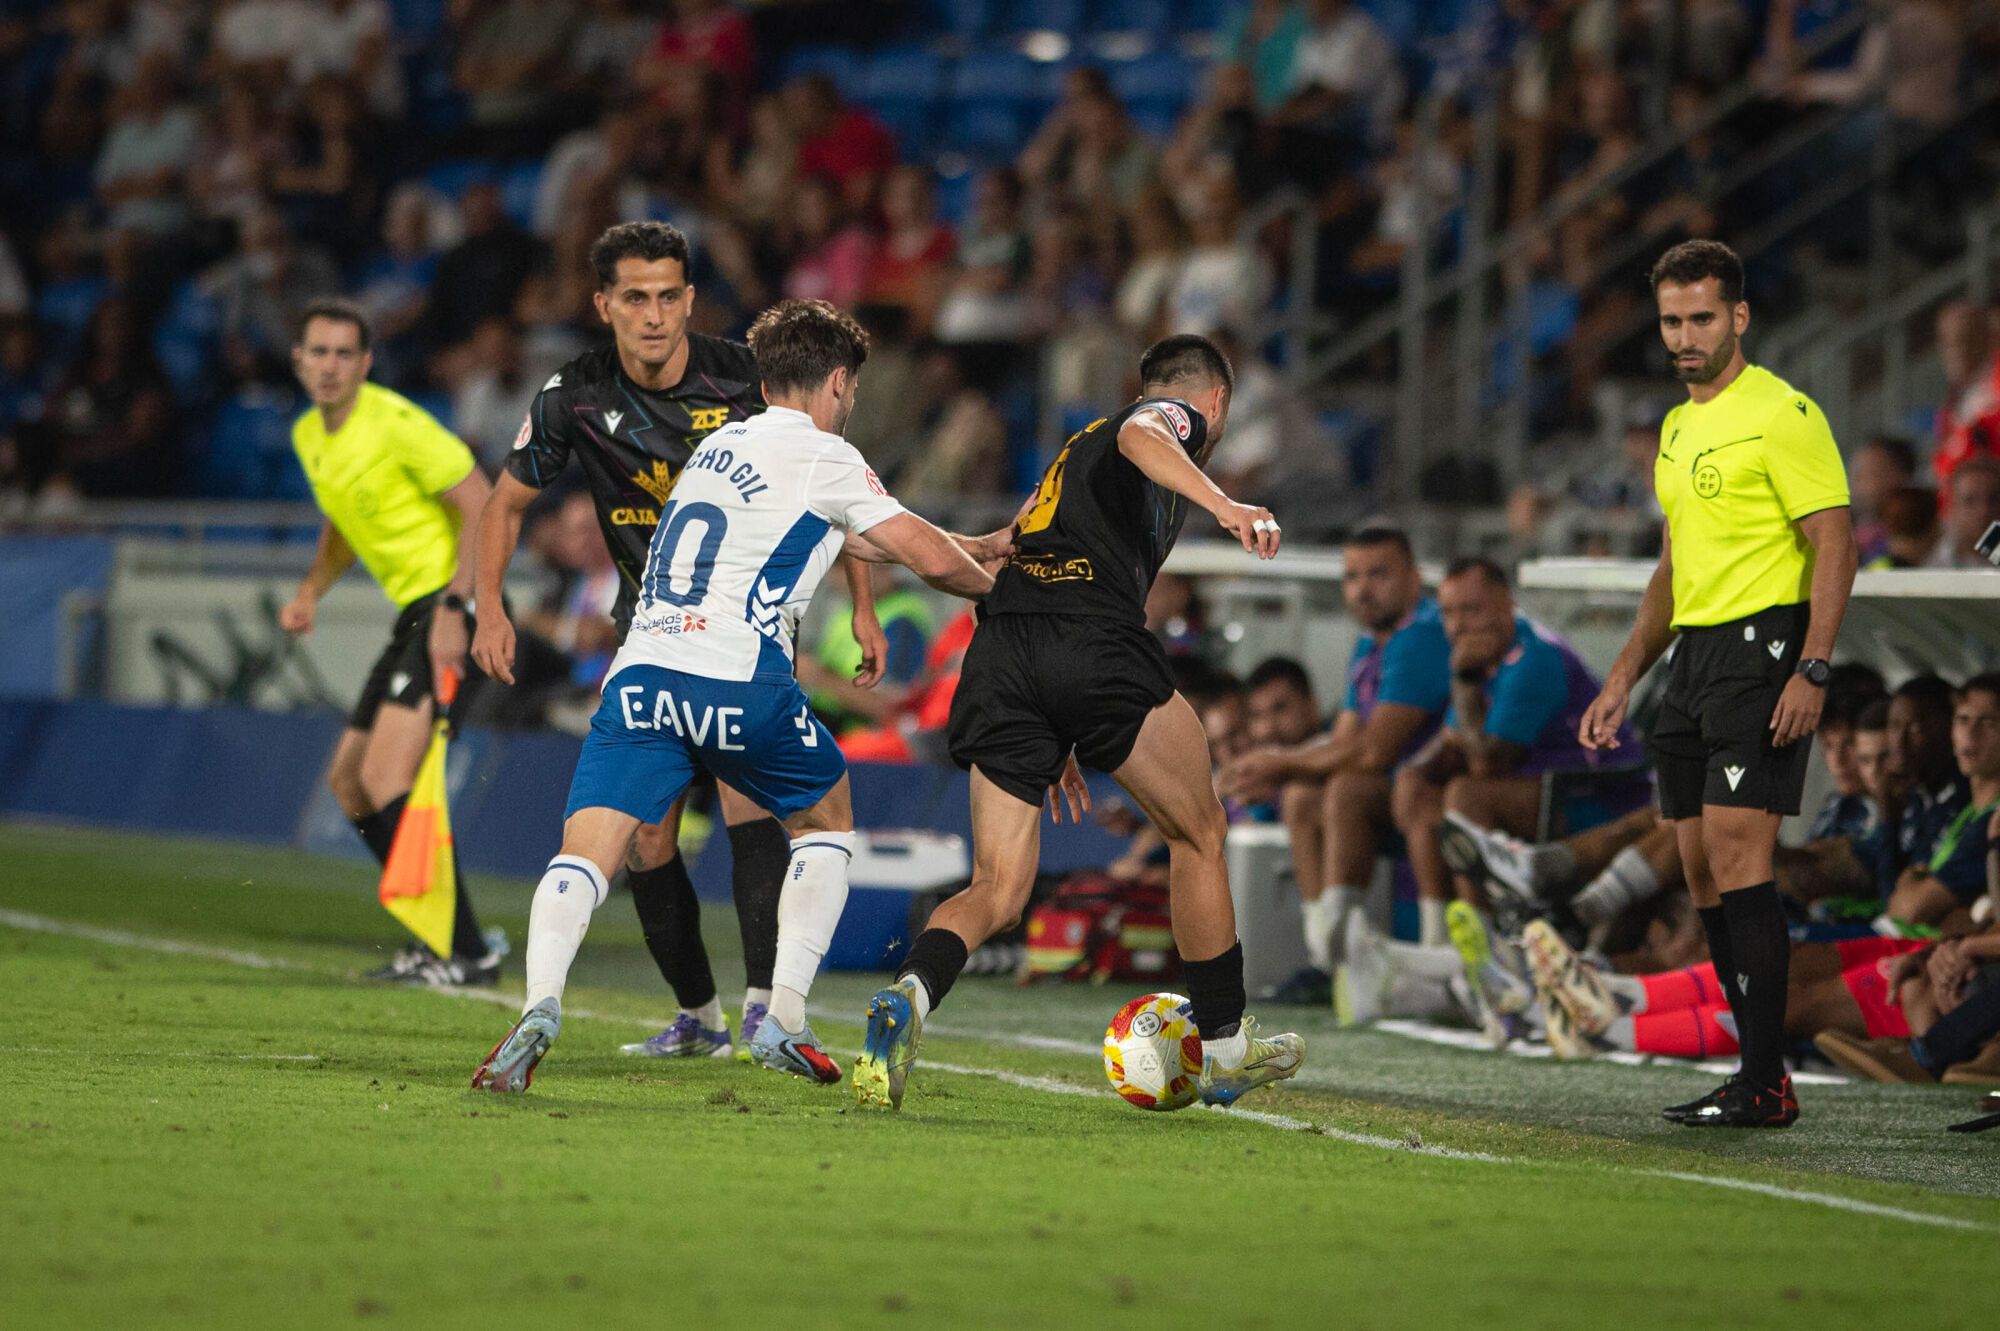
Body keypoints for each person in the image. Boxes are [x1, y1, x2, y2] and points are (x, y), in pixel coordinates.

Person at [473, 299, 1001, 1093]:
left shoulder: (721, 445)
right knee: (826, 814)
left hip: (641, 677)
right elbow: (917, 553)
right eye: (851, 388)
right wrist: (999, 585)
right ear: (837, 381)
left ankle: (539, 1004)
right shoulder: (827, 453)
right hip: (737, 676)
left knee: (586, 848)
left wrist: (974, 542)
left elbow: (840, 531)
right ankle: (782, 1015)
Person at [851, 334, 1303, 1112]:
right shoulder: (1163, 419)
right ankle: (1225, 1048)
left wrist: (1056, 720)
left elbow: (1011, 559)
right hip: (1089, 637)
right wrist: (1227, 505)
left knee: (996, 886)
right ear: (1216, 401)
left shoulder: (1070, 464)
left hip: (1004, 651)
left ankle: (911, 996)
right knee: (1199, 829)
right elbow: (1144, 431)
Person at [471, 221, 880, 1062]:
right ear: (603, 305)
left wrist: (862, 606)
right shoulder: (573, 395)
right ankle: (700, 1015)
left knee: (752, 804)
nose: (654, 316)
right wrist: (489, 606)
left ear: (690, 300)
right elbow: (504, 502)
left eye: (668, 296)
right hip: (648, 625)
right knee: (647, 837)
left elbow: (837, 486)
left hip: (750, 623)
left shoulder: (746, 378)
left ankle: (766, 1007)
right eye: (634, 298)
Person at [1577, 239, 1857, 1128]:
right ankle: (1754, 1070)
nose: (1686, 335)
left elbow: (1836, 541)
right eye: (1672, 320)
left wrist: (1813, 664)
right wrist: (1624, 675)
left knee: (1742, 857)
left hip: (1764, 648)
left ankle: (1767, 1079)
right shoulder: (1676, 426)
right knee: (1696, 864)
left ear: (1739, 316)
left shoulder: (1783, 413)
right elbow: (1672, 566)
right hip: (1694, 657)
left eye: (1702, 317)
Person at [277, 298, 499, 985]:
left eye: (345, 353)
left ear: (366, 363)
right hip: (412, 614)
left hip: (450, 606)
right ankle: (441, 937)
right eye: (319, 352)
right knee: (349, 784)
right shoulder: (308, 436)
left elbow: (484, 503)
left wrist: (457, 607)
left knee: (386, 778)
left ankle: (465, 950)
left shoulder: (397, 423)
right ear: (299, 361)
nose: (331, 366)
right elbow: (342, 521)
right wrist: (312, 588)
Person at [1220, 524, 1450, 1003]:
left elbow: (1372, 752)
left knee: (1343, 787)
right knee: (1305, 792)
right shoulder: (1372, 644)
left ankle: (1413, 950)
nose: (1362, 589)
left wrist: (1278, 763)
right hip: (1395, 792)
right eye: (1352, 577)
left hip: (1433, 788)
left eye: (1378, 575)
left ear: (1414, 578)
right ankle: (1326, 942)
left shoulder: (1422, 635)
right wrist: (1280, 765)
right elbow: (1346, 737)